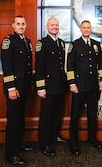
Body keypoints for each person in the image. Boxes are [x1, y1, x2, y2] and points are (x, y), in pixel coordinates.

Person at [66, 20, 102, 156]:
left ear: (91, 29)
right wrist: (72, 84)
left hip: (93, 86)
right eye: (84, 27)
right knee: (75, 115)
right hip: (79, 86)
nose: (87, 30)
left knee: (92, 114)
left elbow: (101, 64)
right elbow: (69, 66)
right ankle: (73, 143)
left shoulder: (96, 44)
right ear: (80, 29)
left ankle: (92, 138)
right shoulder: (74, 45)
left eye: (89, 27)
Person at [1, 15, 33, 166]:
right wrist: (11, 88)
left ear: (26, 25)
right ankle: (10, 153)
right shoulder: (8, 41)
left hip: (24, 86)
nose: (21, 26)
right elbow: (6, 67)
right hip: (14, 88)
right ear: (13, 25)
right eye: (18, 24)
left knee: (20, 118)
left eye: (23, 24)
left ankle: (18, 144)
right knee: (13, 121)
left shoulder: (27, 42)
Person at [35, 17, 68, 157]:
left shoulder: (61, 43)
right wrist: (41, 88)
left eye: (56, 24)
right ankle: (44, 143)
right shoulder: (42, 43)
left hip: (60, 85)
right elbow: (39, 67)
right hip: (48, 86)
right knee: (46, 114)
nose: (55, 27)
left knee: (57, 113)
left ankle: (54, 135)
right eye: (52, 25)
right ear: (47, 27)